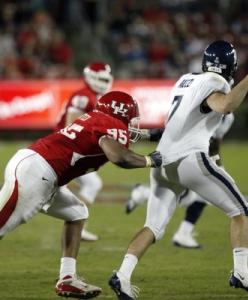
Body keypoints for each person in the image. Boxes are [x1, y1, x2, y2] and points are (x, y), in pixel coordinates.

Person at [108, 41, 248, 299]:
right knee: (241, 211)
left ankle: (122, 275)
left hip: (162, 162)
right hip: (189, 160)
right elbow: (225, 105)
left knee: (153, 227)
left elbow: (170, 122)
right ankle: (241, 272)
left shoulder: (185, 79)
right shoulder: (217, 84)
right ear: (231, 67)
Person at [0, 91, 162, 299]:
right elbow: (118, 156)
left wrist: (149, 135)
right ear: (121, 112)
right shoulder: (111, 125)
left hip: (39, 168)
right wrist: (149, 160)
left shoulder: (97, 119)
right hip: (37, 173)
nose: (132, 121)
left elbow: (109, 136)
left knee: (76, 212)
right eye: (130, 116)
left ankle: (67, 279)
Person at [125, 113, 235, 249]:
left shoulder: (227, 117)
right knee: (185, 198)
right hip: (179, 154)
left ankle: (183, 233)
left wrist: (218, 167)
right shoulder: (200, 106)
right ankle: (142, 194)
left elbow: (214, 146)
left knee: (201, 197)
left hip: (199, 158)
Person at [55, 62, 114, 241]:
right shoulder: (84, 96)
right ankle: (75, 223)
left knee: (92, 183)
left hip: (69, 149)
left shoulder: (94, 95)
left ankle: (76, 223)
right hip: (65, 149)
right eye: (100, 79)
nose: (103, 83)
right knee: (43, 191)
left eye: (106, 79)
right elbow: (71, 126)